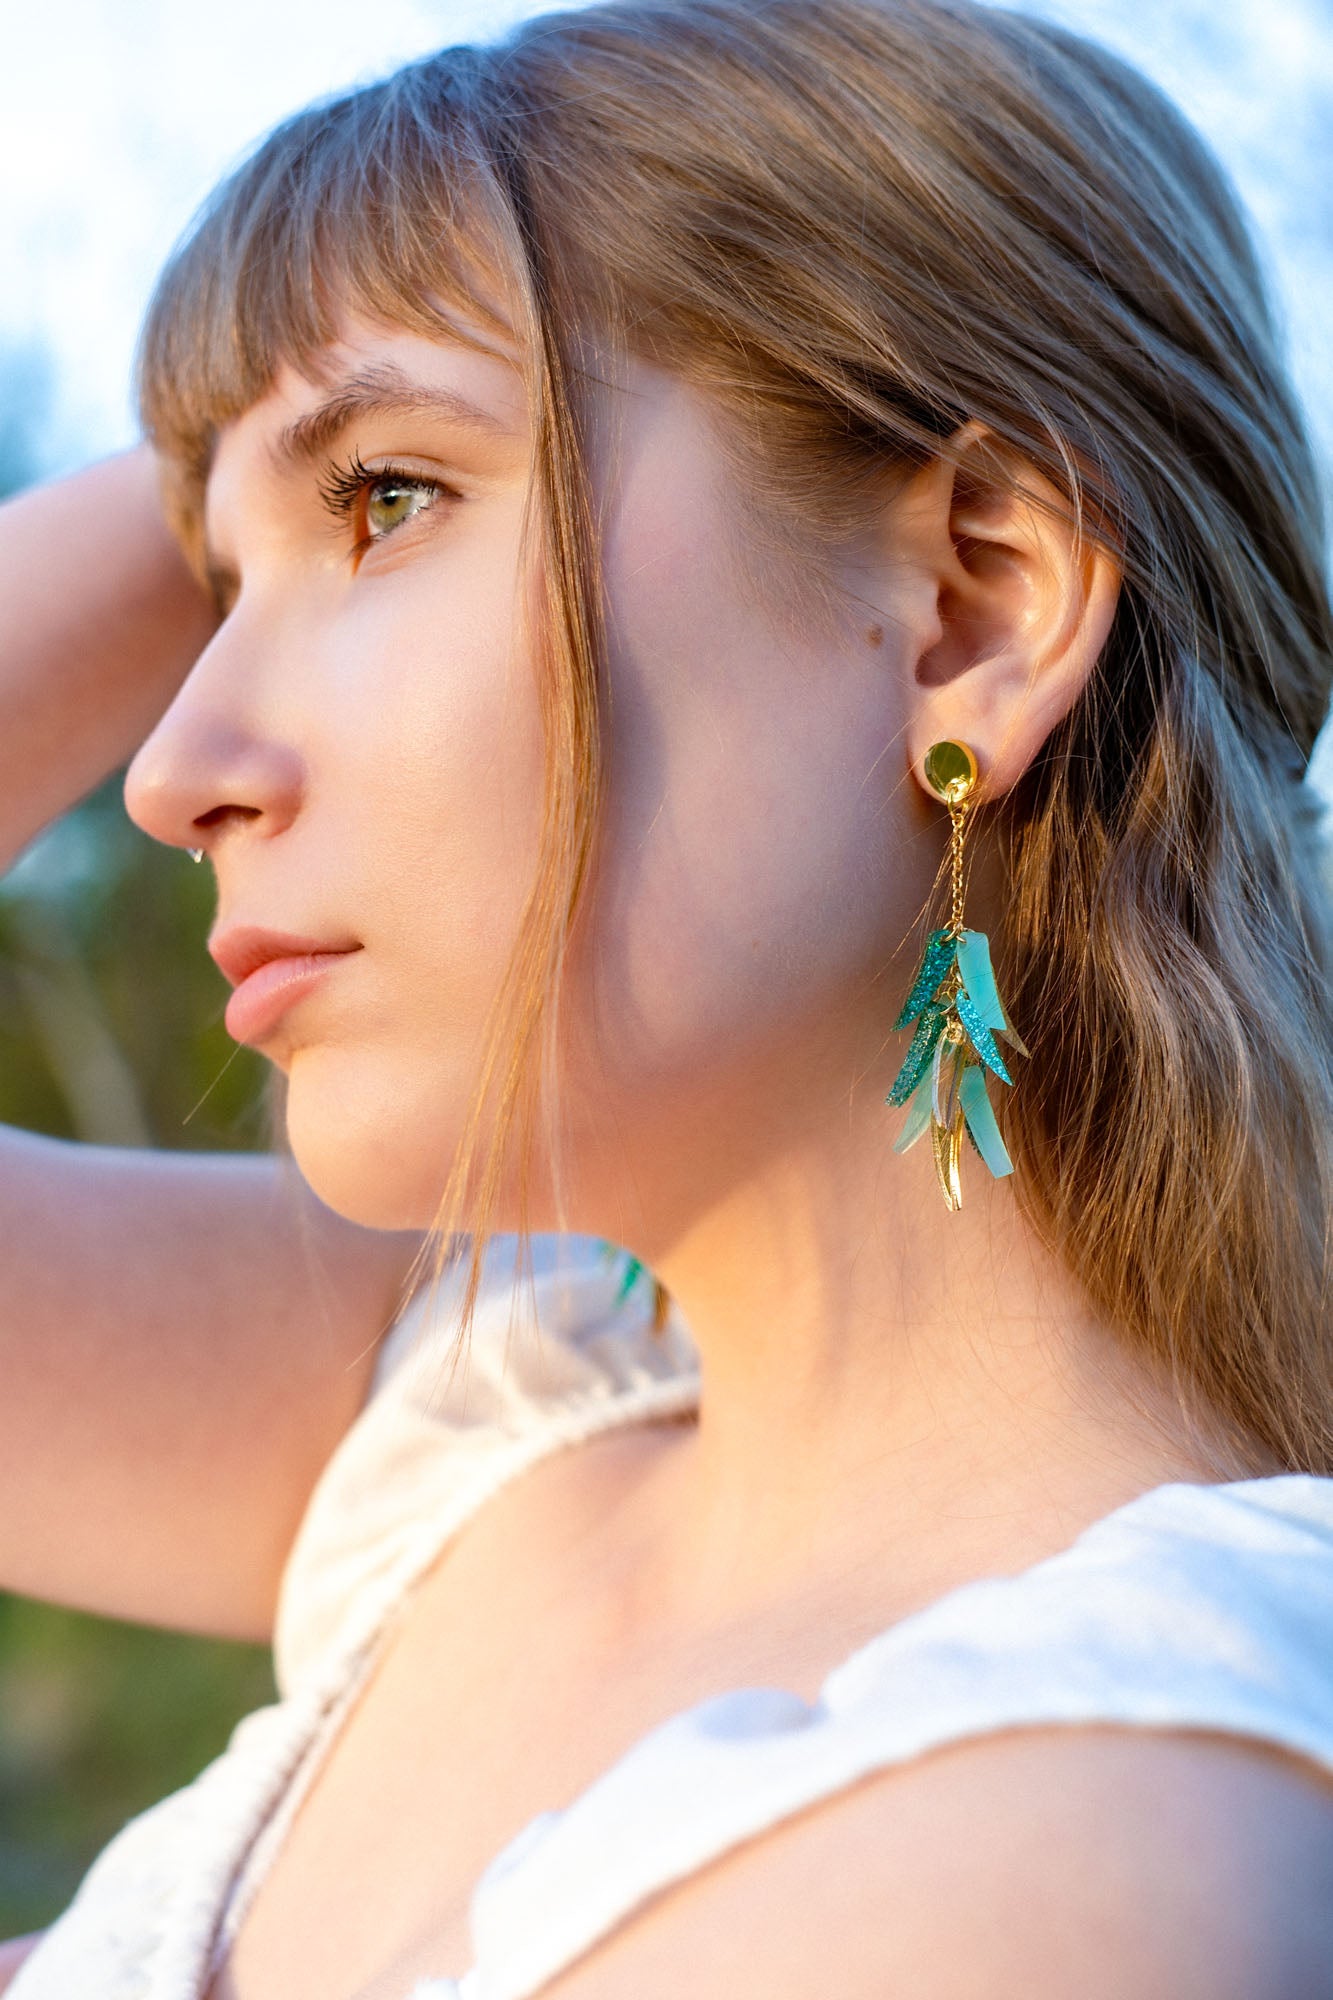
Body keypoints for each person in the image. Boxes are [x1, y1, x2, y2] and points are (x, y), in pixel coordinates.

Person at [2, 0, 1332, 1992]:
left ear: (975, 598)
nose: (180, 765)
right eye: (215, 586)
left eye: (388, 500)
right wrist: (245, 427)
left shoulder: (1075, 1844)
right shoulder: (481, 1424)